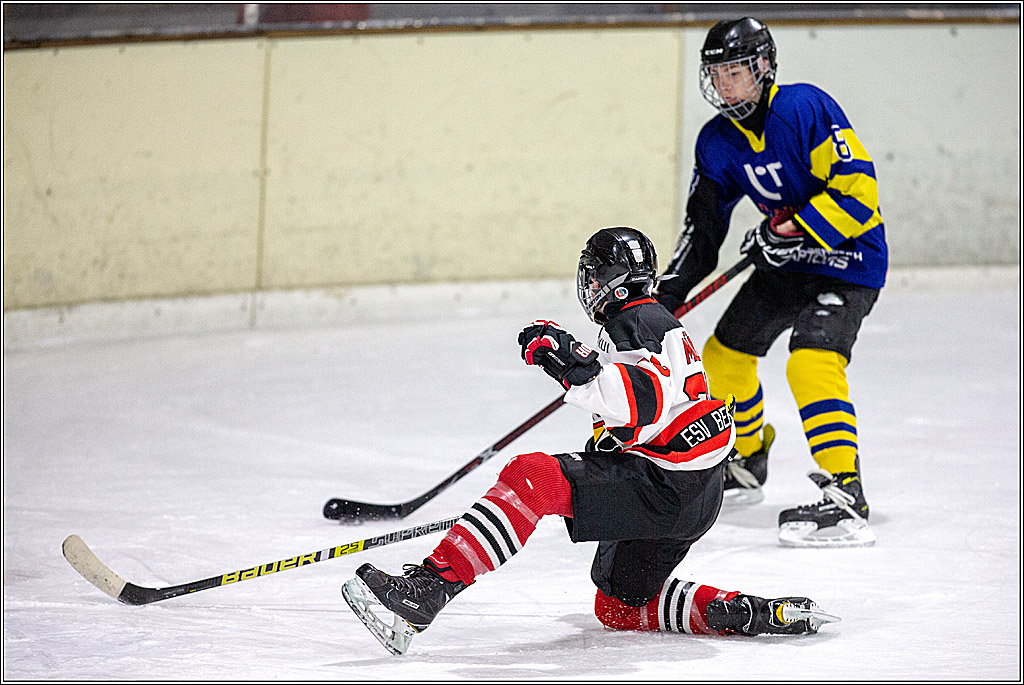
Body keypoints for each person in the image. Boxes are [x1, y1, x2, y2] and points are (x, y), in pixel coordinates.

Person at [342, 227, 839, 655]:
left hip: (664, 488)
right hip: (695, 494)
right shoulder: (653, 322)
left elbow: (641, 400)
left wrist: (568, 361)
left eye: (594, 276)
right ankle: (748, 611)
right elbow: (658, 415)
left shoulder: (634, 323)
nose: (590, 285)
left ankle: (426, 591)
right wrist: (604, 430)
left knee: (531, 478)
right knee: (619, 605)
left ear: (610, 281)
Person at [654, 17, 887, 548]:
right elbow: (704, 228)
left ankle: (845, 490)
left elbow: (857, 192)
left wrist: (793, 228)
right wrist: (667, 294)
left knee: (811, 360)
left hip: (849, 260)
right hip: (786, 266)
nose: (725, 86)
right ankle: (748, 458)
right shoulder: (717, 141)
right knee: (723, 357)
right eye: (717, 75)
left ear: (763, 67)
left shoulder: (804, 108)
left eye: (735, 72)